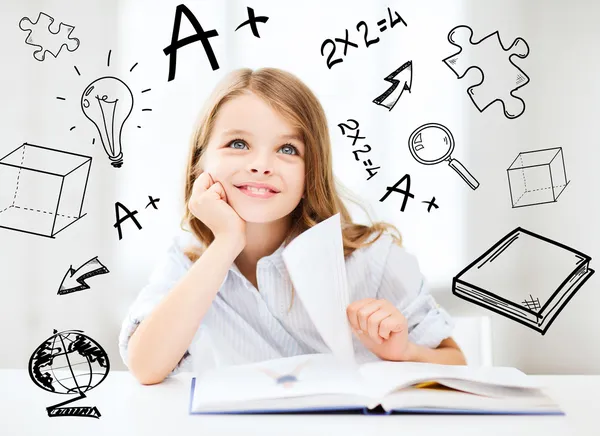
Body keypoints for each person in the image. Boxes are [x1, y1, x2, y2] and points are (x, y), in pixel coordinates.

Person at [119, 67, 466, 385]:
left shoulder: (371, 259)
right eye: (238, 144)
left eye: (287, 149)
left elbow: (457, 364)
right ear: (200, 163)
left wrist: (404, 353)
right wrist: (226, 243)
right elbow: (145, 367)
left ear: (310, 171)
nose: (261, 165)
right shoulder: (187, 262)